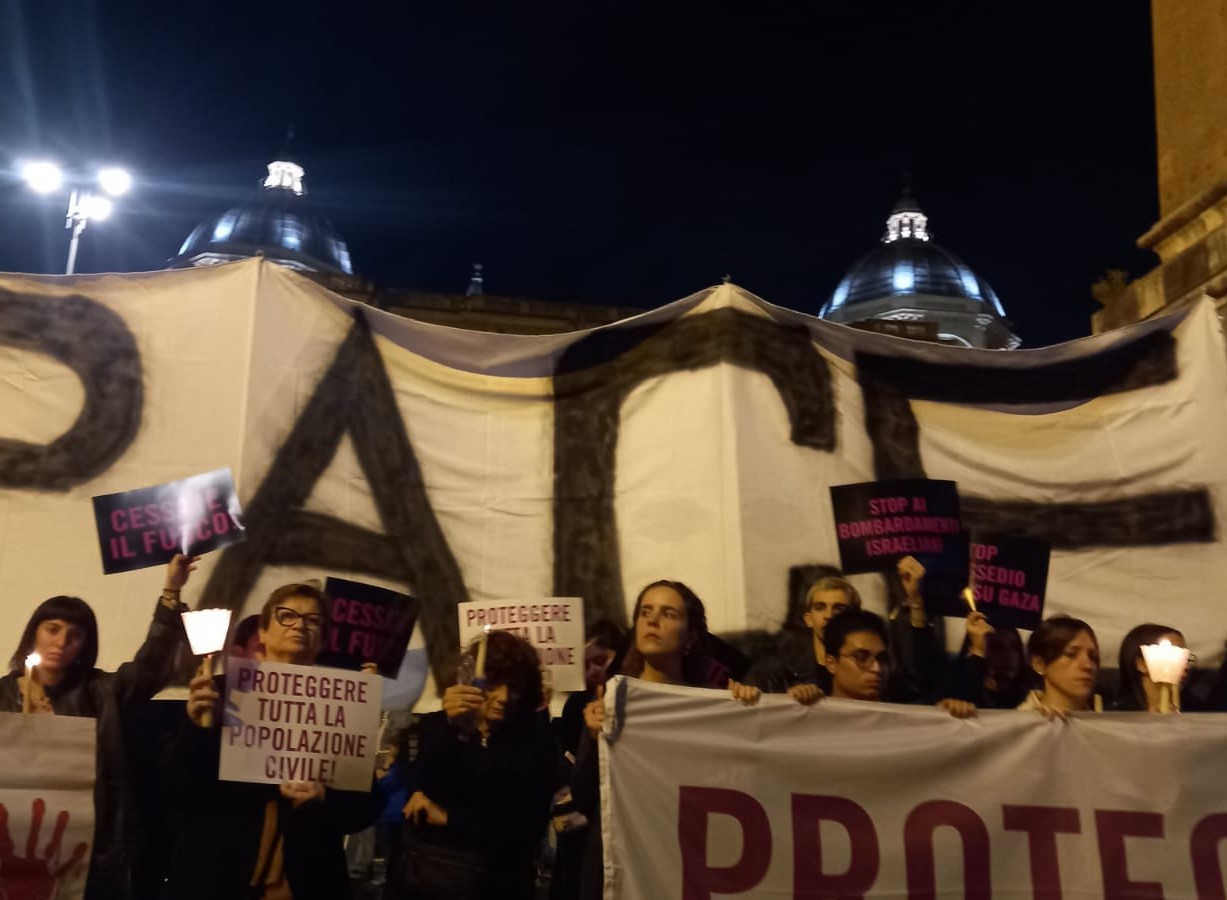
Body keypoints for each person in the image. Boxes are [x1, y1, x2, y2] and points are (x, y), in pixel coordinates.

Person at [160, 581, 382, 899]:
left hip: (305, 882)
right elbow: (178, 789)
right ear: (262, 632)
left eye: (313, 620)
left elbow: (367, 807)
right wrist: (196, 729)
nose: (300, 625)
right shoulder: (217, 691)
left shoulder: (342, 705)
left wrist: (324, 797)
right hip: (216, 878)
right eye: (287, 615)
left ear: (322, 639)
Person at [0, 554, 194, 900]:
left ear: (84, 646)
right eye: (53, 629)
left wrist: (171, 593)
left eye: (74, 635)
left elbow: (152, 666)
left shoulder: (104, 692)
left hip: (92, 850)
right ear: (34, 634)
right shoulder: (1, 696)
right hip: (16, 847)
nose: (61, 642)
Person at [392, 630, 555, 900]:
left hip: (500, 883)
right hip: (434, 878)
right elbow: (419, 790)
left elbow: (524, 824)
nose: (503, 696)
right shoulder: (438, 725)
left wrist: (448, 818)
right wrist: (451, 725)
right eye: (493, 683)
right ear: (472, 680)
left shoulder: (534, 740)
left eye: (514, 686)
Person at [820, 608, 975, 717]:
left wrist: (954, 716)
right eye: (861, 657)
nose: (877, 668)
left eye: (882, 659)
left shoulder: (904, 718)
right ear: (831, 663)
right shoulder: (808, 714)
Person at [1019, 615, 1101, 716]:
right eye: (1071, 654)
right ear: (1039, 664)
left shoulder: (1108, 723)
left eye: (1093, 656)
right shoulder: (1017, 723)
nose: (1088, 665)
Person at [948, 613, 1030, 709]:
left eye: (1014, 647)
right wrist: (977, 652)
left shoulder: (1029, 699)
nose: (1008, 655)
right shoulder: (953, 685)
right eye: (996, 647)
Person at [1113, 623, 1193, 712]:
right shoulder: (1119, 714)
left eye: (1186, 658)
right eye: (1172, 656)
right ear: (1142, 664)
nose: (1186, 666)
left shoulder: (1193, 709)